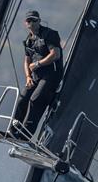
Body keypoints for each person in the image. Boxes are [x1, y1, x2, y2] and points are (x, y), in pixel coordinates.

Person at [11, 10, 63, 140]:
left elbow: (55, 54)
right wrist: (28, 76)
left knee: (35, 99)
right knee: (22, 99)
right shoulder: (28, 41)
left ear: (39, 21)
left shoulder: (50, 34)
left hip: (51, 74)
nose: (31, 23)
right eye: (29, 21)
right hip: (35, 76)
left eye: (34, 20)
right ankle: (13, 131)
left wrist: (39, 64)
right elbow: (27, 60)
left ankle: (25, 135)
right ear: (25, 23)